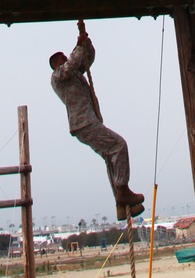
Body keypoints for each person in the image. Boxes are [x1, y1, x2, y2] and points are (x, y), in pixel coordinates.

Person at [50, 28, 144, 220]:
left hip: (87, 123)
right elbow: (73, 63)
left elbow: (87, 59)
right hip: (84, 123)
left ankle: (121, 204)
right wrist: (78, 46)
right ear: (56, 63)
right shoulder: (58, 76)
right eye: (63, 57)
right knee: (119, 145)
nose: (67, 58)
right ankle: (122, 189)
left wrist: (86, 44)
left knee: (110, 157)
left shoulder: (73, 74)